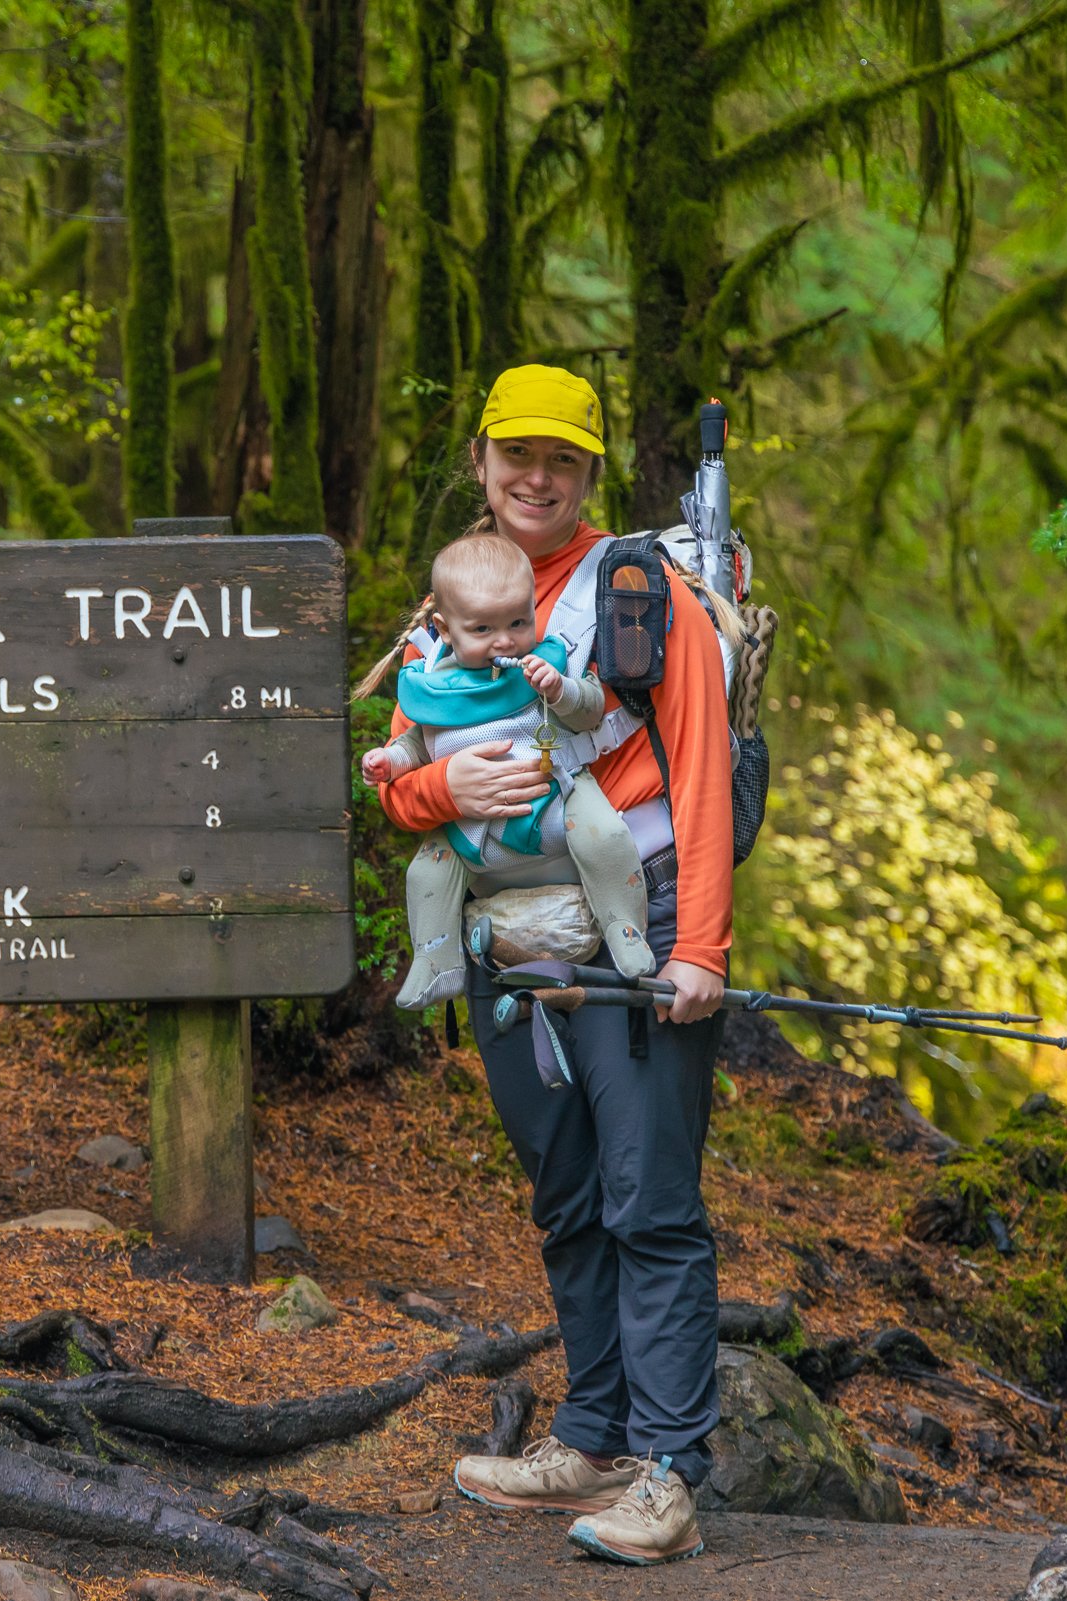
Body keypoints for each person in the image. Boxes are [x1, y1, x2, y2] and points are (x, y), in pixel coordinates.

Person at [373, 364, 734, 1567]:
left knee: (649, 1193)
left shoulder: (641, 593)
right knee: (569, 1186)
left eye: (562, 460)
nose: (536, 477)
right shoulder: (451, 607)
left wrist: (699, 950)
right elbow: (406, 788)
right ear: (480, 459)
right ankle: (589, 1435)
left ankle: (670, 1468)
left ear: (589, 476)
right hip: (500, 927)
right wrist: (438, 787)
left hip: (637, 909)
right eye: (516, 454)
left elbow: (699, 764)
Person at [354, 532, 656, 1010]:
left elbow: (591, 711)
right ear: (445, 628)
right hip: (473, 827)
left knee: (605, 836)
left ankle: (624, 925)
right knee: (425, 875)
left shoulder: (542, 665)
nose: (504, 641)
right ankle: (436, 959)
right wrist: (388, 762)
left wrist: (561, 691)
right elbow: (416, 743)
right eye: (482, 629)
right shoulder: (435, 686)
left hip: (555, 796)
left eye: (519, 621)